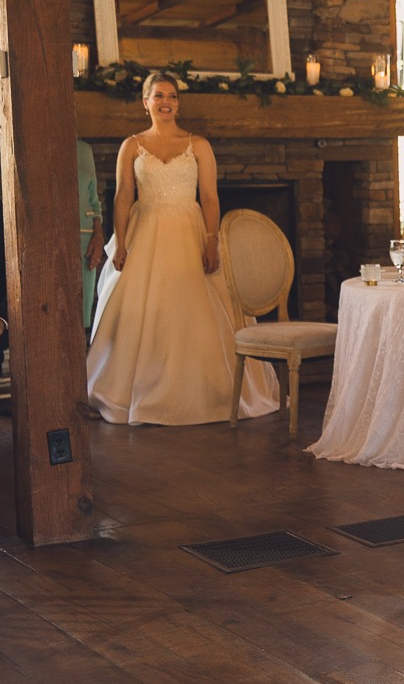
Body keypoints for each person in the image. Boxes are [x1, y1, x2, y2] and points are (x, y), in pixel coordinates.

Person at [86, 73, 280, 425]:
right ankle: (137, 391)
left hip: (190, 232)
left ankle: (211, 391)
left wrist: (211, 240)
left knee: (198, 312)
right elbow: (122, 195)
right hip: (144, 231)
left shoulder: (199, 145)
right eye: (158, 95)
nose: (166, 102)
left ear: (178, 103)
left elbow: (209, 196)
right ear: (145, 102)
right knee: (148, 313)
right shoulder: (131, 145)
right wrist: (122, 240)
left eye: (172, 96)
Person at [78, 139, 104, 332]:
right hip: (48, 238)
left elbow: (94, 201)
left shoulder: (84, 150)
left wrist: (98, 235)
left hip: (86, 239)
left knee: (80, 314)